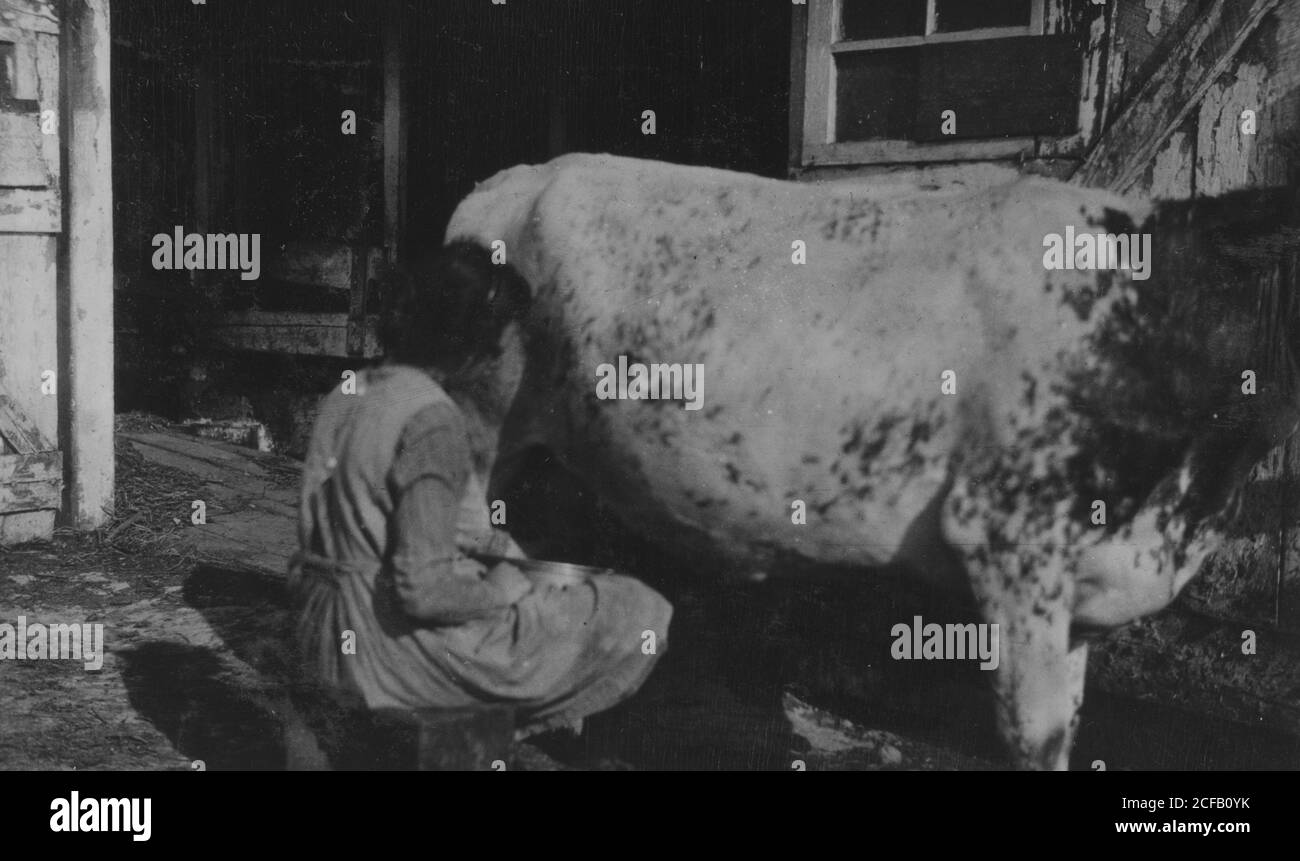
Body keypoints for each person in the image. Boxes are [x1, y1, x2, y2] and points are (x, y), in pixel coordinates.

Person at [286, 240, 672, 740]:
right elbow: (422, 591)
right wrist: (499, 593)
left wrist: (490, 553)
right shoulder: (433, 421)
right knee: (631, 608)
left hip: (317, 630)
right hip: (384, 657)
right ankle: (524, 728)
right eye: (510, 337)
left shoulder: (351, 390)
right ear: (478, 342)